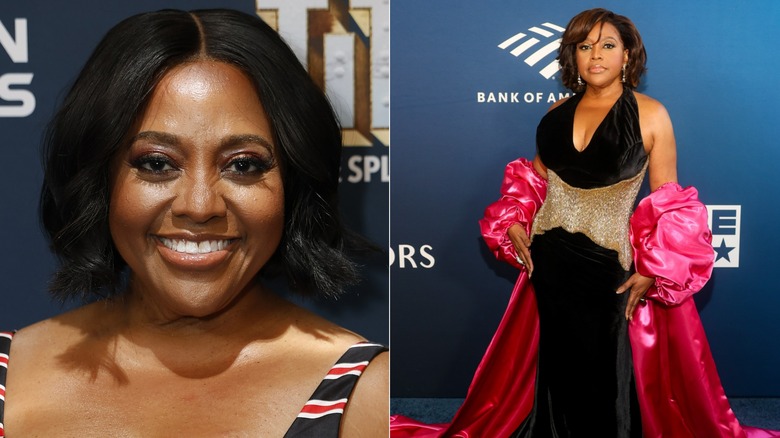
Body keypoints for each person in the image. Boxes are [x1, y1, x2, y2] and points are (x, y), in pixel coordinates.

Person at [391, 8, 778, 438]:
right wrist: (515, 221)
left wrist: (655, 267)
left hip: (609, 265)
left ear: (627, 55)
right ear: (572, 56)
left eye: (608, 45)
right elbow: (534, 181)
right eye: (584, 46)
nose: (596, 55)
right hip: (549, 261)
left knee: (607, 369)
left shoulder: (651, 114)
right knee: (558, 361)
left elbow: (669, 199)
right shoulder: (556, 112)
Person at [0, 9, 387, 437]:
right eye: (156, 163)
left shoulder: (368, 396)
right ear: (99, 178)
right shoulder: (8, 375)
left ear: (293, 183)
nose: (200, 206)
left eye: (243, 165)